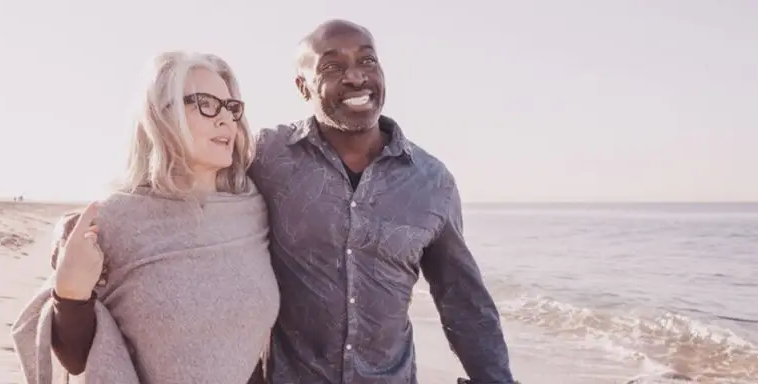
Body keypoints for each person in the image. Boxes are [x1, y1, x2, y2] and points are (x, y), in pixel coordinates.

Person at [48, 19, 517, 384]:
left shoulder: (432, 183)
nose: (355, 77)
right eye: (331, 66)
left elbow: (463, 302)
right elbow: (181, 190)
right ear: (302, 87)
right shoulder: (267, 158)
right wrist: (83, 232)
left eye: (368, 61)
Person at [10, 51, 279, 384]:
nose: (225, 119)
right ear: (161, 116)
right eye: (207, 103)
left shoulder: (253, 210)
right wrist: (70, 292)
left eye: (231, 107)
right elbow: (77, 359)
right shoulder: (116, 220)